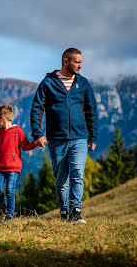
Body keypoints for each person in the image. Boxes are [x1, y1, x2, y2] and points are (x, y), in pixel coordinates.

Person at [30, 48, 98, 223]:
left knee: (77, 175)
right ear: (65, 61)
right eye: (77, 62)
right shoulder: (48, 83)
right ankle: (64, 212)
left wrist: (93, 137)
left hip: (79, 138)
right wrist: (37, 134)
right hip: (56, 140)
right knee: (61, 180)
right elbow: (37, 108)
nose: (80, 66)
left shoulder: (83, 84)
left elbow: (92, 111)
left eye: (81, 62)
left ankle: (76, 212)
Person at [0, 104, 37, 222]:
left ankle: (10, 214)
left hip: (13, 168)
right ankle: (4, 206)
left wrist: (36, 143)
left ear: (3, 119)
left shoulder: (18, 131)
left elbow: (26, 146)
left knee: (9, 190)